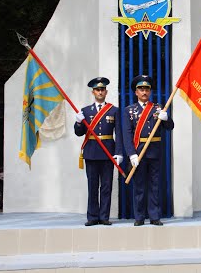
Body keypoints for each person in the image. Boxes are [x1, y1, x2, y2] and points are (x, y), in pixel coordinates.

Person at [122, 75, 174, 226]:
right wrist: (132, 154)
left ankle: (154, 216)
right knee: (139, 185)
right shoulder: (129, 111)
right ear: (136, 92)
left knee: (154, 185)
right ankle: (139, 217)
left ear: (150, 91)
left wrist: (166, 119)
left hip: (154, 152)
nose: (144, 92)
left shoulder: (158, 108)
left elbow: (170, 127)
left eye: (146, 89)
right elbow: (127, 134)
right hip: (138, 152)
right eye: (141, 89)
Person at [74, 77, 123, 226]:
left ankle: (104, 216)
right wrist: (78, 122)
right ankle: (92, 216)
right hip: (91, 152)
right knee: (93, 186)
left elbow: (119, 133)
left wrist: (119, 152)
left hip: (108, 152)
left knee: (107, 186)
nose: (100, 92)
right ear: (93, 92)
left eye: (102, 89)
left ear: (106, 92)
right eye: (97, 90)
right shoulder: (85, 111)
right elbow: (79, 133)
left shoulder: (114, 110)